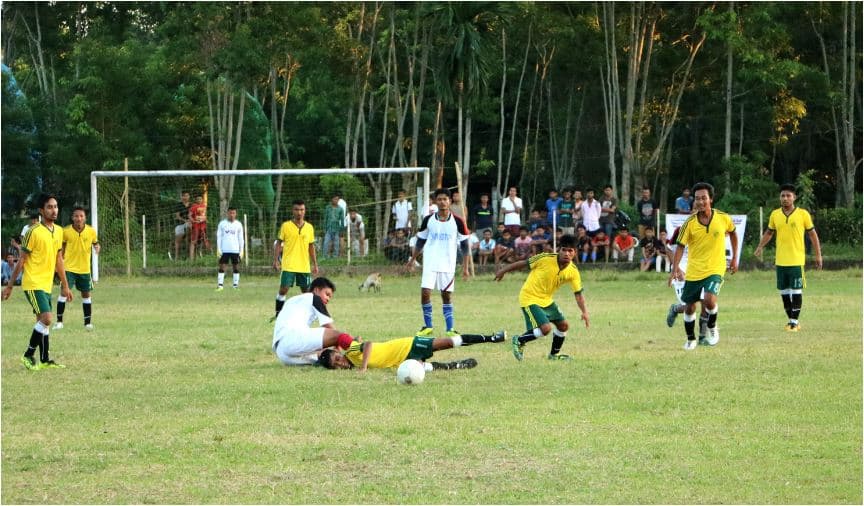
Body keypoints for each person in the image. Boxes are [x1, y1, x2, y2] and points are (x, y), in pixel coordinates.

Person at [2, 194, 73, 370]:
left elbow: (59, 260)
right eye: (49, 207)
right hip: (32, 282)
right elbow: (22, 260)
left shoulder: (58, 231)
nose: (54, 210)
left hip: (47, 283)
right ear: (42, 211)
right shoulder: (33, 232)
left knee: (41, 320)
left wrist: (65, 285)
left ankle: (45, 359)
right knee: (47, 318)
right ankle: (27, 356)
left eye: (56, 206)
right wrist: (9, 286)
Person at [495, 234, 590, 361]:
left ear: (575, 252)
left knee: (564, 326)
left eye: (570, 250)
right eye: (564, 250)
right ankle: (519, 340)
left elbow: (578, 294)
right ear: (559, 250)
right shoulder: (545, 258)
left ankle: (553, 355)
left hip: (546, 300)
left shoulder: (573, 271)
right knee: (545, 329)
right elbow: (523, 264)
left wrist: (584, 312)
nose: (566, 253)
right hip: (529, 297)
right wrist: (503, 270)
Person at [669, 182, 738, 350]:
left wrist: (735, 258)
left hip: (715, 268)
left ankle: (712, 327)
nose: (700, 202)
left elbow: (733, 233)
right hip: (694, 271)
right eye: (697, 199)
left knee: (708, 300)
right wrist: (674, 269)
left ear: (711, 199)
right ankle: (691, 339)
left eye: (704, 198)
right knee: (690, 307)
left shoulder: (723, 218)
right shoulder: (689, 224)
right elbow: (679, 247)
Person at [753, 184, 823, 332]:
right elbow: (769, 233)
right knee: (784, 292)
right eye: (782, 196)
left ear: (794, 198)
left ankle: (794, 322)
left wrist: (818, 254)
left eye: (788, 196)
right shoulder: (775, 214)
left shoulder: (803, 214)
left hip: (796, 260)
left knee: (796, 291)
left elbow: (812, 235)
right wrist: (760, 246)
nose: (785, 198)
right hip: (780, 261)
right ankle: (791, 320)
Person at [405, 188, 470, 337]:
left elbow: (465, 246)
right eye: (439, 199)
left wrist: (465, 268)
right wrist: (412, 260)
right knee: (425, 293)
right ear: (435, 201)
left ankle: (450, 329)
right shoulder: (428, 220)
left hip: (448, 264)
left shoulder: (458, 221)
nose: (442, 202)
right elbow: (421, 241)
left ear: (450, 201)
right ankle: (428, 326)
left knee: (446, 295)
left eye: (445, 199)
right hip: (430, 262)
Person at [318, 329, 507, 371]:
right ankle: (457, 365)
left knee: (448, 342)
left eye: (337, 358)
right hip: (403, 362)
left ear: (339, 353)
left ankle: (491, 338)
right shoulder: (349, 368)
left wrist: (364, 366)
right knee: (424, 369)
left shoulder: (351, 352)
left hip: (407, 345)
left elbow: (367, 344)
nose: (340, 362)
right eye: (337, 365)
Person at [272, 277, 358, 366]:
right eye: (327, 294)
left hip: (283, 356)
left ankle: (348, 362)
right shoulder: (314, 298)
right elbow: (329, 327)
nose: (328, 299)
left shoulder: (293, 300)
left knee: (325, 357)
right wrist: (339, 347)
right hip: (291, 341)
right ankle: (361, 350)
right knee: (339, 335)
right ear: (316, 290)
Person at [55, 206, 100, 330]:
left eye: (81, 216)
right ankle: (59, 322)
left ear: (85, 218)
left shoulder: (91, 231)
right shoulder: (66, 231)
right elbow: (61, 249)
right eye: (76, 216)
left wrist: (97, 247)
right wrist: (59, 264)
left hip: (85, 269)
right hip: (69, 268)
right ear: (72, 218)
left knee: (86, 294)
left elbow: (95, 243)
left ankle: (87, 323)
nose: (79, 218)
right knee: (64, 292)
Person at [272, 200, 319, 320]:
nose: (299, 212)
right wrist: (276, 260)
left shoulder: (309, 227)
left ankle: (310, 316)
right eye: (297, 210)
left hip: (304, 265)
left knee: (307, 293)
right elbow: (279, 243)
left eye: (302, 210)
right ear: (293, 211)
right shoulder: (286, 226)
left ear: (305, 211)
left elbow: (311, 246)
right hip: (288, 265)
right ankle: (279, 314)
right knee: (283, 290)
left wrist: (315, 264)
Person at [215, 207, 244, 291]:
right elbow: (219, 237)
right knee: (222, 266)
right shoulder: (222, 224)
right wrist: (219, 249)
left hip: (235, 250)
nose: (232, 215)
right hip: (224, 250)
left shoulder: (238, 224)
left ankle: (235, 286)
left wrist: (241, 250)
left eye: (233, 213)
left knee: (236, 267)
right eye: (230, 213)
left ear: (236, 214)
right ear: (227, 213)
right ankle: (220, 286)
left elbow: (241, 238)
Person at [188, 194, 211, 260]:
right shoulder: (193, 207)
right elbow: (189, 215)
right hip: (196, 226)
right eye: (197, 199)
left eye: (200, 199)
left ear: (202, 199)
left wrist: (206, 219)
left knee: (202, 240)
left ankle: (199, 256)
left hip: (203, 226)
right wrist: (193, 221)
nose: (199, 200)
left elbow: (204, 215)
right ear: (195, 200)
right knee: (193, 241)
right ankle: (191, 259)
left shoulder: (204, 206)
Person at [323, 194, 345, 258]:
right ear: (331, 199)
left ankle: (335, 256)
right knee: (326, 242)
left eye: (337, 199)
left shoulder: (340, 209)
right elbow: (325, 218)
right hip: (329, 228)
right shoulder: (328, 208)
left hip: (337, 228)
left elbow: (342, 220)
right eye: (335, 199)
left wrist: (342, 230)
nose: (336, 200)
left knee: (336, 243)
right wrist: (324, 228)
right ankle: (325, 256)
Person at [173, 191, 191, 260]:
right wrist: (185, 220)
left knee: (189, 227)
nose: (186, 197)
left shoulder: (191, 205)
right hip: (180, 223)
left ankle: (189, 255)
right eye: (184, 196)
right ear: (182, 197)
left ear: (189, 197)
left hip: (189, 223)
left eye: (187, 195)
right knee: (178, 239)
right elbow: (177, 216)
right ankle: (176, 257)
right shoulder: (179, 205)